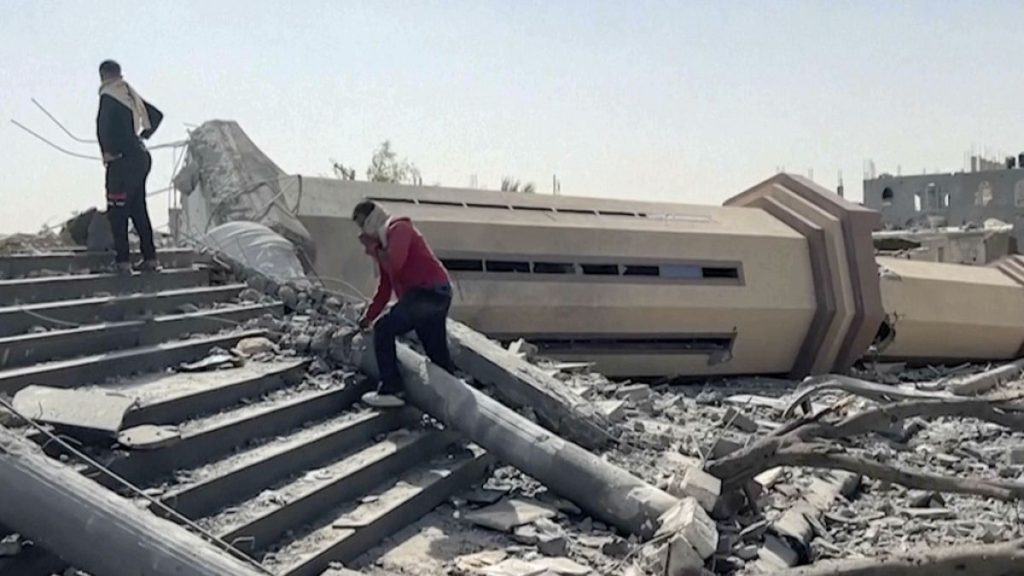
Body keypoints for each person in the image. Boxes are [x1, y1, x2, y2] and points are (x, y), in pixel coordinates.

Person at [353, 200, 456, 408]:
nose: (362, 231)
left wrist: (374, 248)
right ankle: (452, 399)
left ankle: (392, 388)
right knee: (436, 352)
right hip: (431, 295)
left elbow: (396, 263)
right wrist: (368, 316)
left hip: (427, 293)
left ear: (372, 220)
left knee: (384, 329)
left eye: (362, 224)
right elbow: (385, 288)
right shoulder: (385, 244)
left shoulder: (399, 228)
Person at [96, 59, 163, 273]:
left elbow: (103, 126)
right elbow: (156, 115)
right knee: (137, 208)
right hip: (141, 157)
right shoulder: (128, 93)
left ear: (103, 75)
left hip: (122, 160)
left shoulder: (108, 95)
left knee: (117, 210)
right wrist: (142, 136)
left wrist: (107, 151)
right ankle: (150, 258)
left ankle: (122, 262)